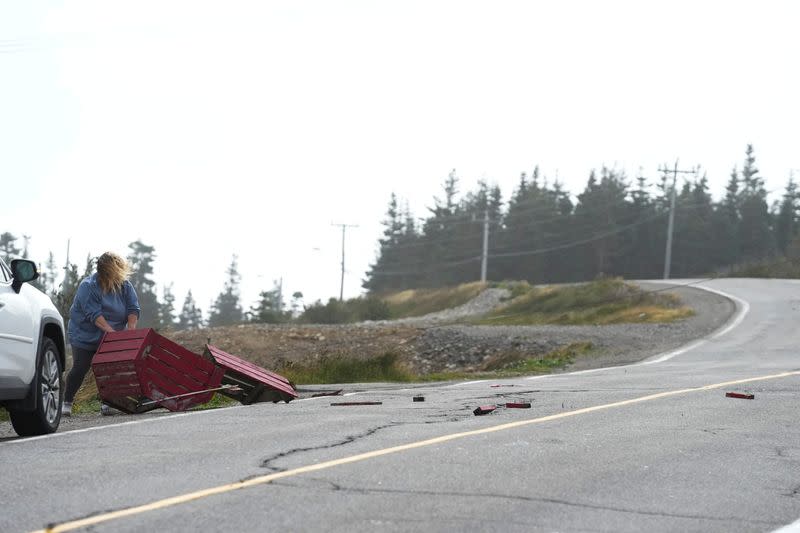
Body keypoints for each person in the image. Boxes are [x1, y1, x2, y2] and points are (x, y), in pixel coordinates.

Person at [63, 252, 140, 416]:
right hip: (84, 334)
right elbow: (95, 316)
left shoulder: (125, 286)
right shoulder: (88, 286)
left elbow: (133, 309)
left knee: (111, 368)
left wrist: (130, 331)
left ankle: (108, 402)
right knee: (80, 368)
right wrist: (113, 334)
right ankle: (67, 402)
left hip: (111, 335)